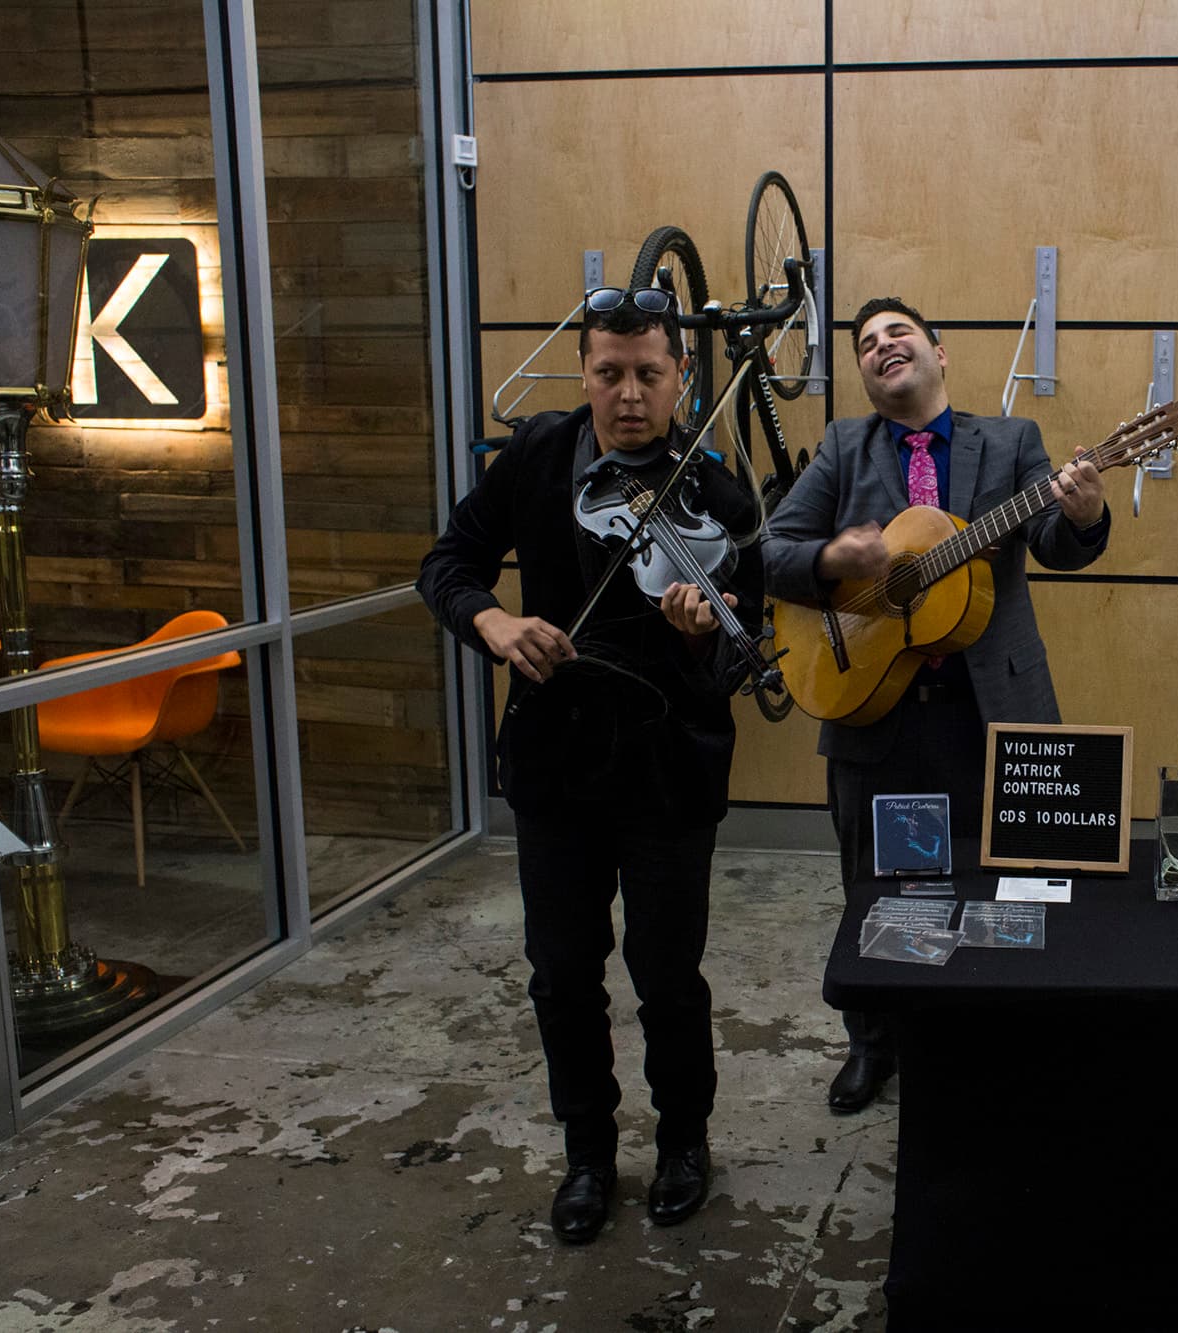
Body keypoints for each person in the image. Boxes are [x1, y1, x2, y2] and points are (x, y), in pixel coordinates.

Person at [417, 287, 763, 1242]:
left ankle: (685, 1140)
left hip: (669, 770)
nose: (628, 396)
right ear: (584, 374)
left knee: (667, 972)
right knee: (562, 972)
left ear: (680, 378)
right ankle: (587, 1153)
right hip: (557, 763)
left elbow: (749, 653)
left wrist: (702, 641)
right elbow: (448, 563)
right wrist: (492, 621)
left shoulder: (720, 497)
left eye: (649, 374)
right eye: (608, 374)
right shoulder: (537, 455)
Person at [762, 296, 1110, 1111]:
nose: (883, 348)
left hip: (993, 709)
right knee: (875, 888)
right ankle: (873, 1042)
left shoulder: (1012, 441)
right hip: (873, 705)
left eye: (899, 335)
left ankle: (997, 1038)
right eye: (866, 344)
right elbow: (771, 551)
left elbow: (1055, 544)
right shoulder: (846, 447)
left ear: (939, 353)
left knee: (1005, 886)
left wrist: (1085, 514)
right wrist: (828, 556)